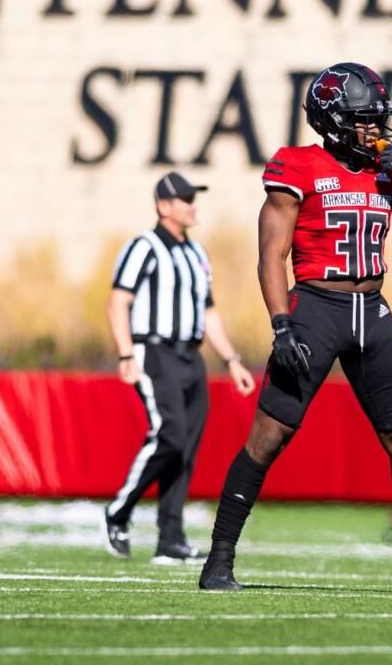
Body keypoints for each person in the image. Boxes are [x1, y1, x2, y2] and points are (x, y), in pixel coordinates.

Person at [198, 62, 392, 595]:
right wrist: (281, 325)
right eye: (365, 120)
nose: (376, 130)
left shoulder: (385, 170)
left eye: (378, 119)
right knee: (269, 436)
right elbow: (271, 256)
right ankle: (219, 559)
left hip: (373, 309)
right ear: (333, 120)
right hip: (316, 307)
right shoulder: (296, 166)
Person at [104, 171, 256, 564]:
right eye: (185, 199)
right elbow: (118, 302)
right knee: (168, 434)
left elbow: (208, 310)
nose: (193, 205)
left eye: (193, 198)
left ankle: (170, 538)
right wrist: (125, 354)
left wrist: (232, 359)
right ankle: (119, 510)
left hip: (191, 355)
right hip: (154, 351)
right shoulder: (143, 247)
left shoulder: (196, 253)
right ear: (163, 206)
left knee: (186, 447)